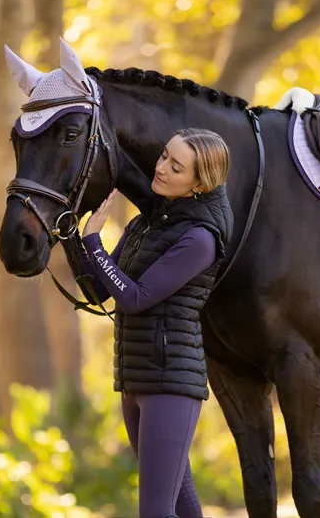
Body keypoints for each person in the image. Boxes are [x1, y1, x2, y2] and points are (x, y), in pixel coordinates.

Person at [77, 128, 234, 518]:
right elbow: (98, 291)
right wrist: (73, 236)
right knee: (180, 504)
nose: (161, 168)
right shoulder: (145, 225)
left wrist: (95, 243)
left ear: (198, 184)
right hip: (136, 378)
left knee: (155, 511)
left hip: (170, 383)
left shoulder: (199, 239)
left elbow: (134, 298)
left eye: (176, 167)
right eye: (164, 156)